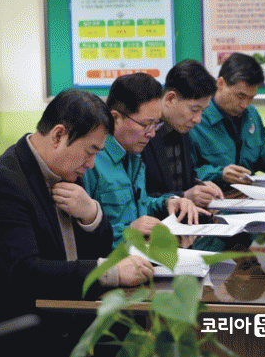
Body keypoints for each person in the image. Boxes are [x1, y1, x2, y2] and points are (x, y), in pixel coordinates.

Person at [0, 89, 153, 352]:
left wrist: (91, 215)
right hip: (19, 329)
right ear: (58, 136)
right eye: (90, 151)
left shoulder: (65, 170)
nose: (91, 164)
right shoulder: (2, 185)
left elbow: (96, 251)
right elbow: (26, 274)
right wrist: (109, 272)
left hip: (67, 311)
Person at [83, 73, 209, 247]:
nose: (152, 133)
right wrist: (128, 233)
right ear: (115, 118)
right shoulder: (90, 162)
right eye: (145, 124)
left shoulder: (133, 156)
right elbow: (81, 235)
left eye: (156, 124)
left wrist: (168, 203)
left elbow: (138, 206)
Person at [189, 53, 265, 186]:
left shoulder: (251, 114)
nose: (245, 104)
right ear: (220, 83)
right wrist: (220, 174)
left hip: (248, 193)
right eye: (240, 96)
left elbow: (256, 160)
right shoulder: (196, 119)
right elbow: (185, 173)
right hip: (213, 195)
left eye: (251, 97)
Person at [142, 59, 223, 206]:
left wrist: (200, 186)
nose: (198, 119)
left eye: (203, 111)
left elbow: (184, 182)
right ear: (170, 99)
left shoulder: (181, 128)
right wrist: (183, 196)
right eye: (194, 109)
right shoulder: (142, 133)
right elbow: (138, 198)